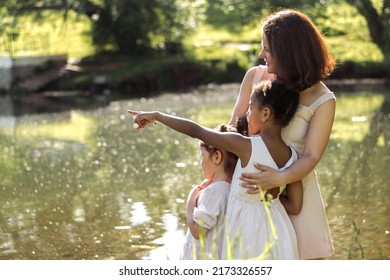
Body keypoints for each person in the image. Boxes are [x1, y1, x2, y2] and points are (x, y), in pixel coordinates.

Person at [129, 79, 302, 259]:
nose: (247, 113)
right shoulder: (294, 157)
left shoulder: (247, 146)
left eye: (251, 108)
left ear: (265, 113)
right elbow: (295, 206)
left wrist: (157, 116)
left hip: (249, 233)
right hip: (279, 231)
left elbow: (196, 131)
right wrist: (265, 198)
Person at [232, 9, 336, 260]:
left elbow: (310, 156)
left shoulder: (323, 100)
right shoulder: (256, 77)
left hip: (296, 197)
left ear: (288, 52)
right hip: (251, 198)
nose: (261, 55)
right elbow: (235, 131)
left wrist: (279, 178)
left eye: (266, 49)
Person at [180, 124, 238, 260]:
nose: (201, 162)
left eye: (202, 156)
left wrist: (190, 204)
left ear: (217, 157)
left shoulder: (213, 192)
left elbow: (198, 232)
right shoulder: (231, 188)